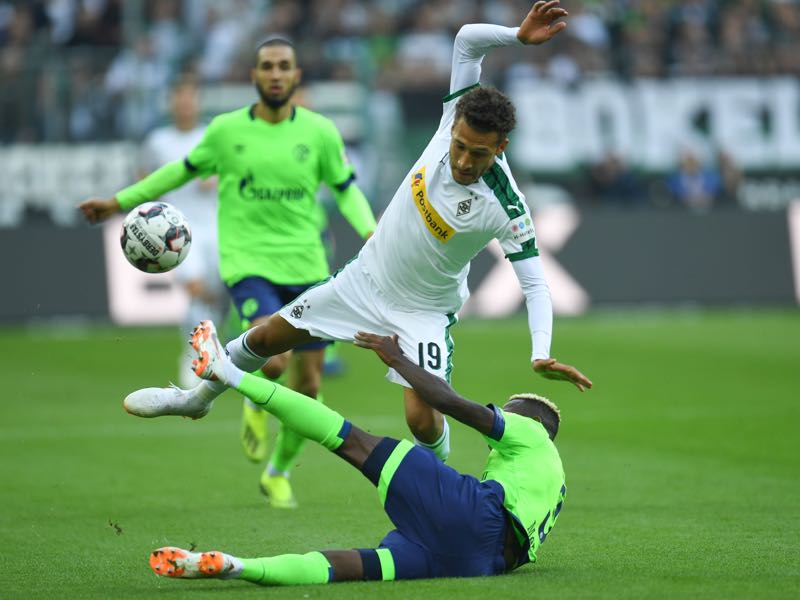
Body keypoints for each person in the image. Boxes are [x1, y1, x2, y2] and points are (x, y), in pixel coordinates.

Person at [122, 1, 591, 464]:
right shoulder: (455, 115)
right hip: (363, 281)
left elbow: (534, 282)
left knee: (421, 420)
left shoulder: (507, 205)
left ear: (501, 147)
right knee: (266, 339)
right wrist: (517, 35)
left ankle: (439, 478)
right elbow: (468, 39)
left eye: (480, 154)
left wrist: (541, 351)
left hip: (423, 310)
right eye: (461, 147)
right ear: (453, 127)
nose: (466, 161)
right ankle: (194, 400)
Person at [79, 37, 378, 509]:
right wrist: (119, 202)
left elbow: (346, 189)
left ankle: (278, 471)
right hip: (250, 263)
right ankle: (254, 397)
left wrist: (370, 230)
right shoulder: (226, 131)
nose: (276, 74)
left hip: (308, 266)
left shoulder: (320, 132)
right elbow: (175, 173)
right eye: (267, 67)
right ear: (254, 76)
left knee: (312, 385)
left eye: (284, 66)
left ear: (296, 76)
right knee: (273, 357)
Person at [149, 319, 567, 586]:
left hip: (478, 517)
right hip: (480, 560)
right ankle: (238, 566)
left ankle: (228, 371)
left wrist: (397, 359)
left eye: (507, 411)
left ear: (530, 418)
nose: (500, 416)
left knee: (348, 439)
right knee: (357, 566)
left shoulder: (530, 431)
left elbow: (455, 405)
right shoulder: (555, 484)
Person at [139, 78, 226, 389]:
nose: (185, 105)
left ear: (197, 103)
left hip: (216, 227)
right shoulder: (158, 141)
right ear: (172, 104)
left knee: (213, 295)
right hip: (177, 231)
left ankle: (213, 350)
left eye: (190, 99)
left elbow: (233, 172)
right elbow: (144, 178)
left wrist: (216, 179)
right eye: (180, 99)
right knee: (195, 287)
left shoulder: (211, 137)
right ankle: (193, 356)